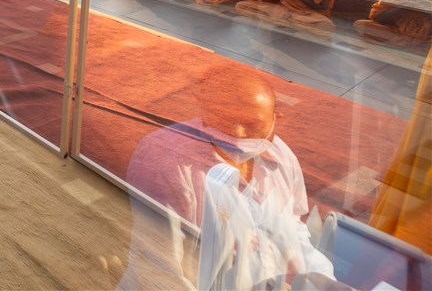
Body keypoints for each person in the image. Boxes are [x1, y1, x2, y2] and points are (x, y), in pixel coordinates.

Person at [121, 64, 333, 288]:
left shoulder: (281, 156)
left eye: (252, 125)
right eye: (225, 119)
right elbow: (160, 269)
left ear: (276, 119)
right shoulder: (164, 162)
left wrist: (315, 277)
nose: (238, 133)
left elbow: (293, 230)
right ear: (204, 108)